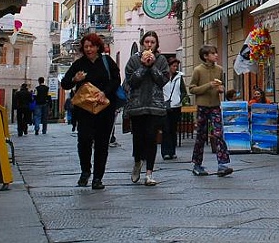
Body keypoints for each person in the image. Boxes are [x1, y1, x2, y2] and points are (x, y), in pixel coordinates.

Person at [60, 33, 121, 190]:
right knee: (84, 140)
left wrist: (105, 92)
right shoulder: (79, 64)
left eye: (92, 46)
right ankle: (85, 170)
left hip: (104, 108)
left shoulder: (107, 62)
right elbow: (65, 83)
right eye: (86, 47)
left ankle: (98, 178)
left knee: (102, 143)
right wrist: (75, 80)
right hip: (85, 110)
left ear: (98, 47)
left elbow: (116, 79)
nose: (89, 49)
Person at [124, 30, 170, 186]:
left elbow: (163, 80)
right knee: (138, 138)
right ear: (143, 44)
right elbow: (131, 82)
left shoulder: (162, 60)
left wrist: (152, 66)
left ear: (156, 44)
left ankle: (149, 173)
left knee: (151, 138)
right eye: (147, 42)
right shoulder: (133, 60)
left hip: (155, 106)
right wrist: (143, 66)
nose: (149, 45)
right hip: (137, 106)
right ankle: (137, 161)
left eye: (153, 42)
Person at [189, 45, 233, 177]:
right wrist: (208, 86)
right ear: (205, 56)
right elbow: (192, 89)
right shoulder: (198, 70)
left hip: (215, 105)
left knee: (219, 133)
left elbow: (221, 86)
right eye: (213, 53)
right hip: (202, 106)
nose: (216, 55)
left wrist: (221, 89)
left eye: (216, 53)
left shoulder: (219, 70)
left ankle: (222, 164)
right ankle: (197, 164)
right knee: (201, 136)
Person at [161, 55, 187, 160]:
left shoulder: (179, 77)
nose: (175, 68)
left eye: (176, 66)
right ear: (168, 66)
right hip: (164, 106)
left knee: (173, 129)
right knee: (166, 129)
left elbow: (183, 91)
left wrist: (178, 100)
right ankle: (165, 152)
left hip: (176, 106)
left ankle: (172, 151)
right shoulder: (163, 77)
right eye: (173, 66)